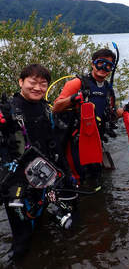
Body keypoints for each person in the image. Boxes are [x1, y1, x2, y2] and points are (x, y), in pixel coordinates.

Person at [0, 64, 75, 260]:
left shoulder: (45, 109)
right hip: (16, 181)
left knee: (39, 222)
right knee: (21, 238)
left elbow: (54, 145)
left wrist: (66, 173)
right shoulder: (8, 109)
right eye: (32, 82)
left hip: (44, 176)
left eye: (43, 84)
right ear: (21, 82)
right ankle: (16, 260)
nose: (37, 88)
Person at [52, 48, 123, 185]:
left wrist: (122, 112)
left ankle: (94, 203)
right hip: (75, 141)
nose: (103, 68)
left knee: (95, 176)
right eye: (100, 63)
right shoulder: (77, 83)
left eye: (108, 65)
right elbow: (56, 108)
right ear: (92, 64)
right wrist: (73, 98)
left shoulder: (108, 89)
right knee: (76, 177)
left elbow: (109, 116)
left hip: (95, 140)